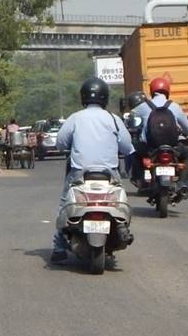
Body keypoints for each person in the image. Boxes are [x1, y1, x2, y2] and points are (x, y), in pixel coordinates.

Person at [50, 78, 133, 262]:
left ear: (83, 97)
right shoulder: (113, 119)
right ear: (105, 97)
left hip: (80, 174)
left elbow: (60, 143)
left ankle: (59, 247)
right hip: (109, 175)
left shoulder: (75, 118)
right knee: (119, 200)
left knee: (65, 203)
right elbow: (127, 147)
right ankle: (120, 225)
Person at [133, 77, 188, 188]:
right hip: (172, 147)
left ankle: (140, 180)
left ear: (151, 91)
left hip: (150, 148)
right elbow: (187, 128)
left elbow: (130, 117)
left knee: (134, 152)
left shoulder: (144, 106)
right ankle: (182, 183)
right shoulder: (175, 106)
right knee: (187, 154)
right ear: (167, 91)